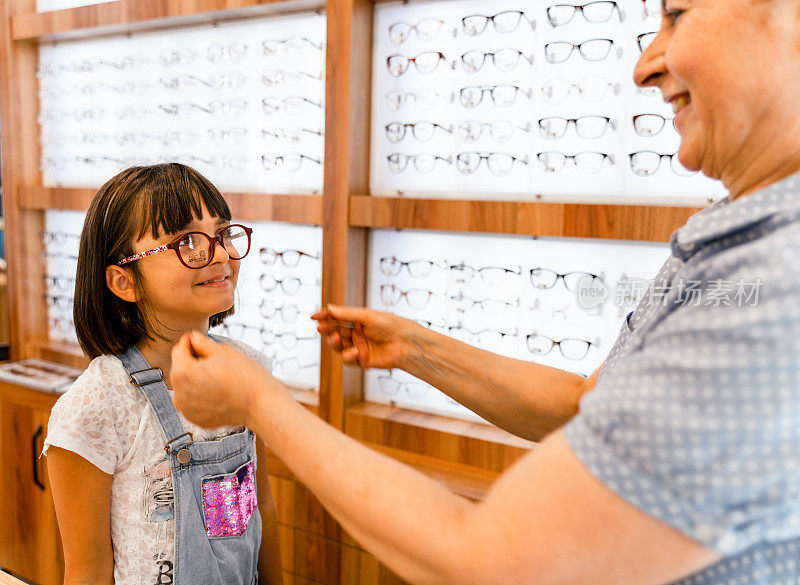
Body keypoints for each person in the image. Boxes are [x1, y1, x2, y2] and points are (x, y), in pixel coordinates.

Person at [169, 1, 800, 583]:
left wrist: (260, 405)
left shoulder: (772, 283)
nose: (644, 65)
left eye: (678, 14)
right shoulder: (727, 242)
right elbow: (588, 403)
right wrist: (418, 349)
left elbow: (491, 560)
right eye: (184, 245)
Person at [43, 164, 283, 585]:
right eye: (187, 241)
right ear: (124, 281)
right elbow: (87, 571)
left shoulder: (249, 371)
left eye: (223, 233)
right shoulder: (96, 406)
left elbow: (261, 510)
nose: (221, 254)